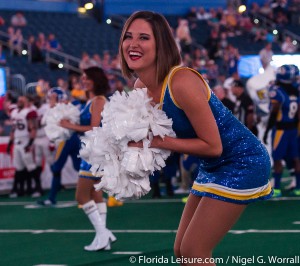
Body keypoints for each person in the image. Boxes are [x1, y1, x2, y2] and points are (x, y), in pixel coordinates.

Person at [119, 11, 272, 265]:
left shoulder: (181, 81)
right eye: (128, 36)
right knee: (182, 251)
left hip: (243, 161)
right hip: (211, 166)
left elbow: (212, 146)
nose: (133, 44)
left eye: (144, 37)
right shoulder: (140, 87)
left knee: (194, 251)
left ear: (162, 44)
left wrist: (152, 141)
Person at [59, 67, 116, 251]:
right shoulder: (91, 100)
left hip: (95, 153)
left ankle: (103, 234)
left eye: (87, 78)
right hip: (93, 150)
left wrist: (70, 125)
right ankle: (103, 238)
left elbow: (94, 128)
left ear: (96, 80)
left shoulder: (99, 101)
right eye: (82, 77)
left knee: (81, 196)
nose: (83, 80)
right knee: (95, 193)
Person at [37, 88, 81, 206]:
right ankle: (97, 190)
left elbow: (43, 121)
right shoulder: (69, 105)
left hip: (65, 140)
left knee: (57, 168)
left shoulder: (64, 106)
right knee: (79, 167)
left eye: (53, 97)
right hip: (73, 138)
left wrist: (52, 106)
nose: (51, 99)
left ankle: (51, 198)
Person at [263, 64, 300, 197]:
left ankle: (277, 188)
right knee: (296, 158)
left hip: (281, 130)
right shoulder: (296, 91)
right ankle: (298, 187)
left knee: (278, 159)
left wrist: (267, 131)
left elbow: (274, 113)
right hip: (293, 129)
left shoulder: (277, 91)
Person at [7, 96, 38, 197]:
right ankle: (19, 190)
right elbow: (13, 129)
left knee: (31, 166)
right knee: (19, 167)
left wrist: (30, 143)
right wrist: (9, 143)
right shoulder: (14, 112)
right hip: (16, 142)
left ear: (27, 102)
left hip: (25, 141)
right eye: (19, 99)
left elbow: (33, 128)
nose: (19, 101)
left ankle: (38, 188)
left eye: (22, 100)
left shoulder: (29, 112)